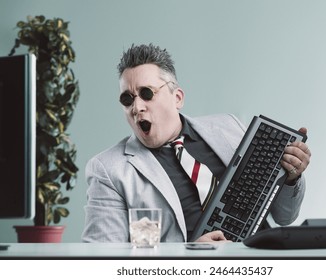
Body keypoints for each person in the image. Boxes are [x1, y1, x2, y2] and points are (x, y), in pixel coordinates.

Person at [82, 43, 311, 243]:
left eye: (146, 93)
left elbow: (285, 217)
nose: (137, 107)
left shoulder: (228, 126)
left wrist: (291, 177)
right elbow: (103, 260)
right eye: (127, 99)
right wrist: (191, 255)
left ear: (177, 98)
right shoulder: (109, 170)